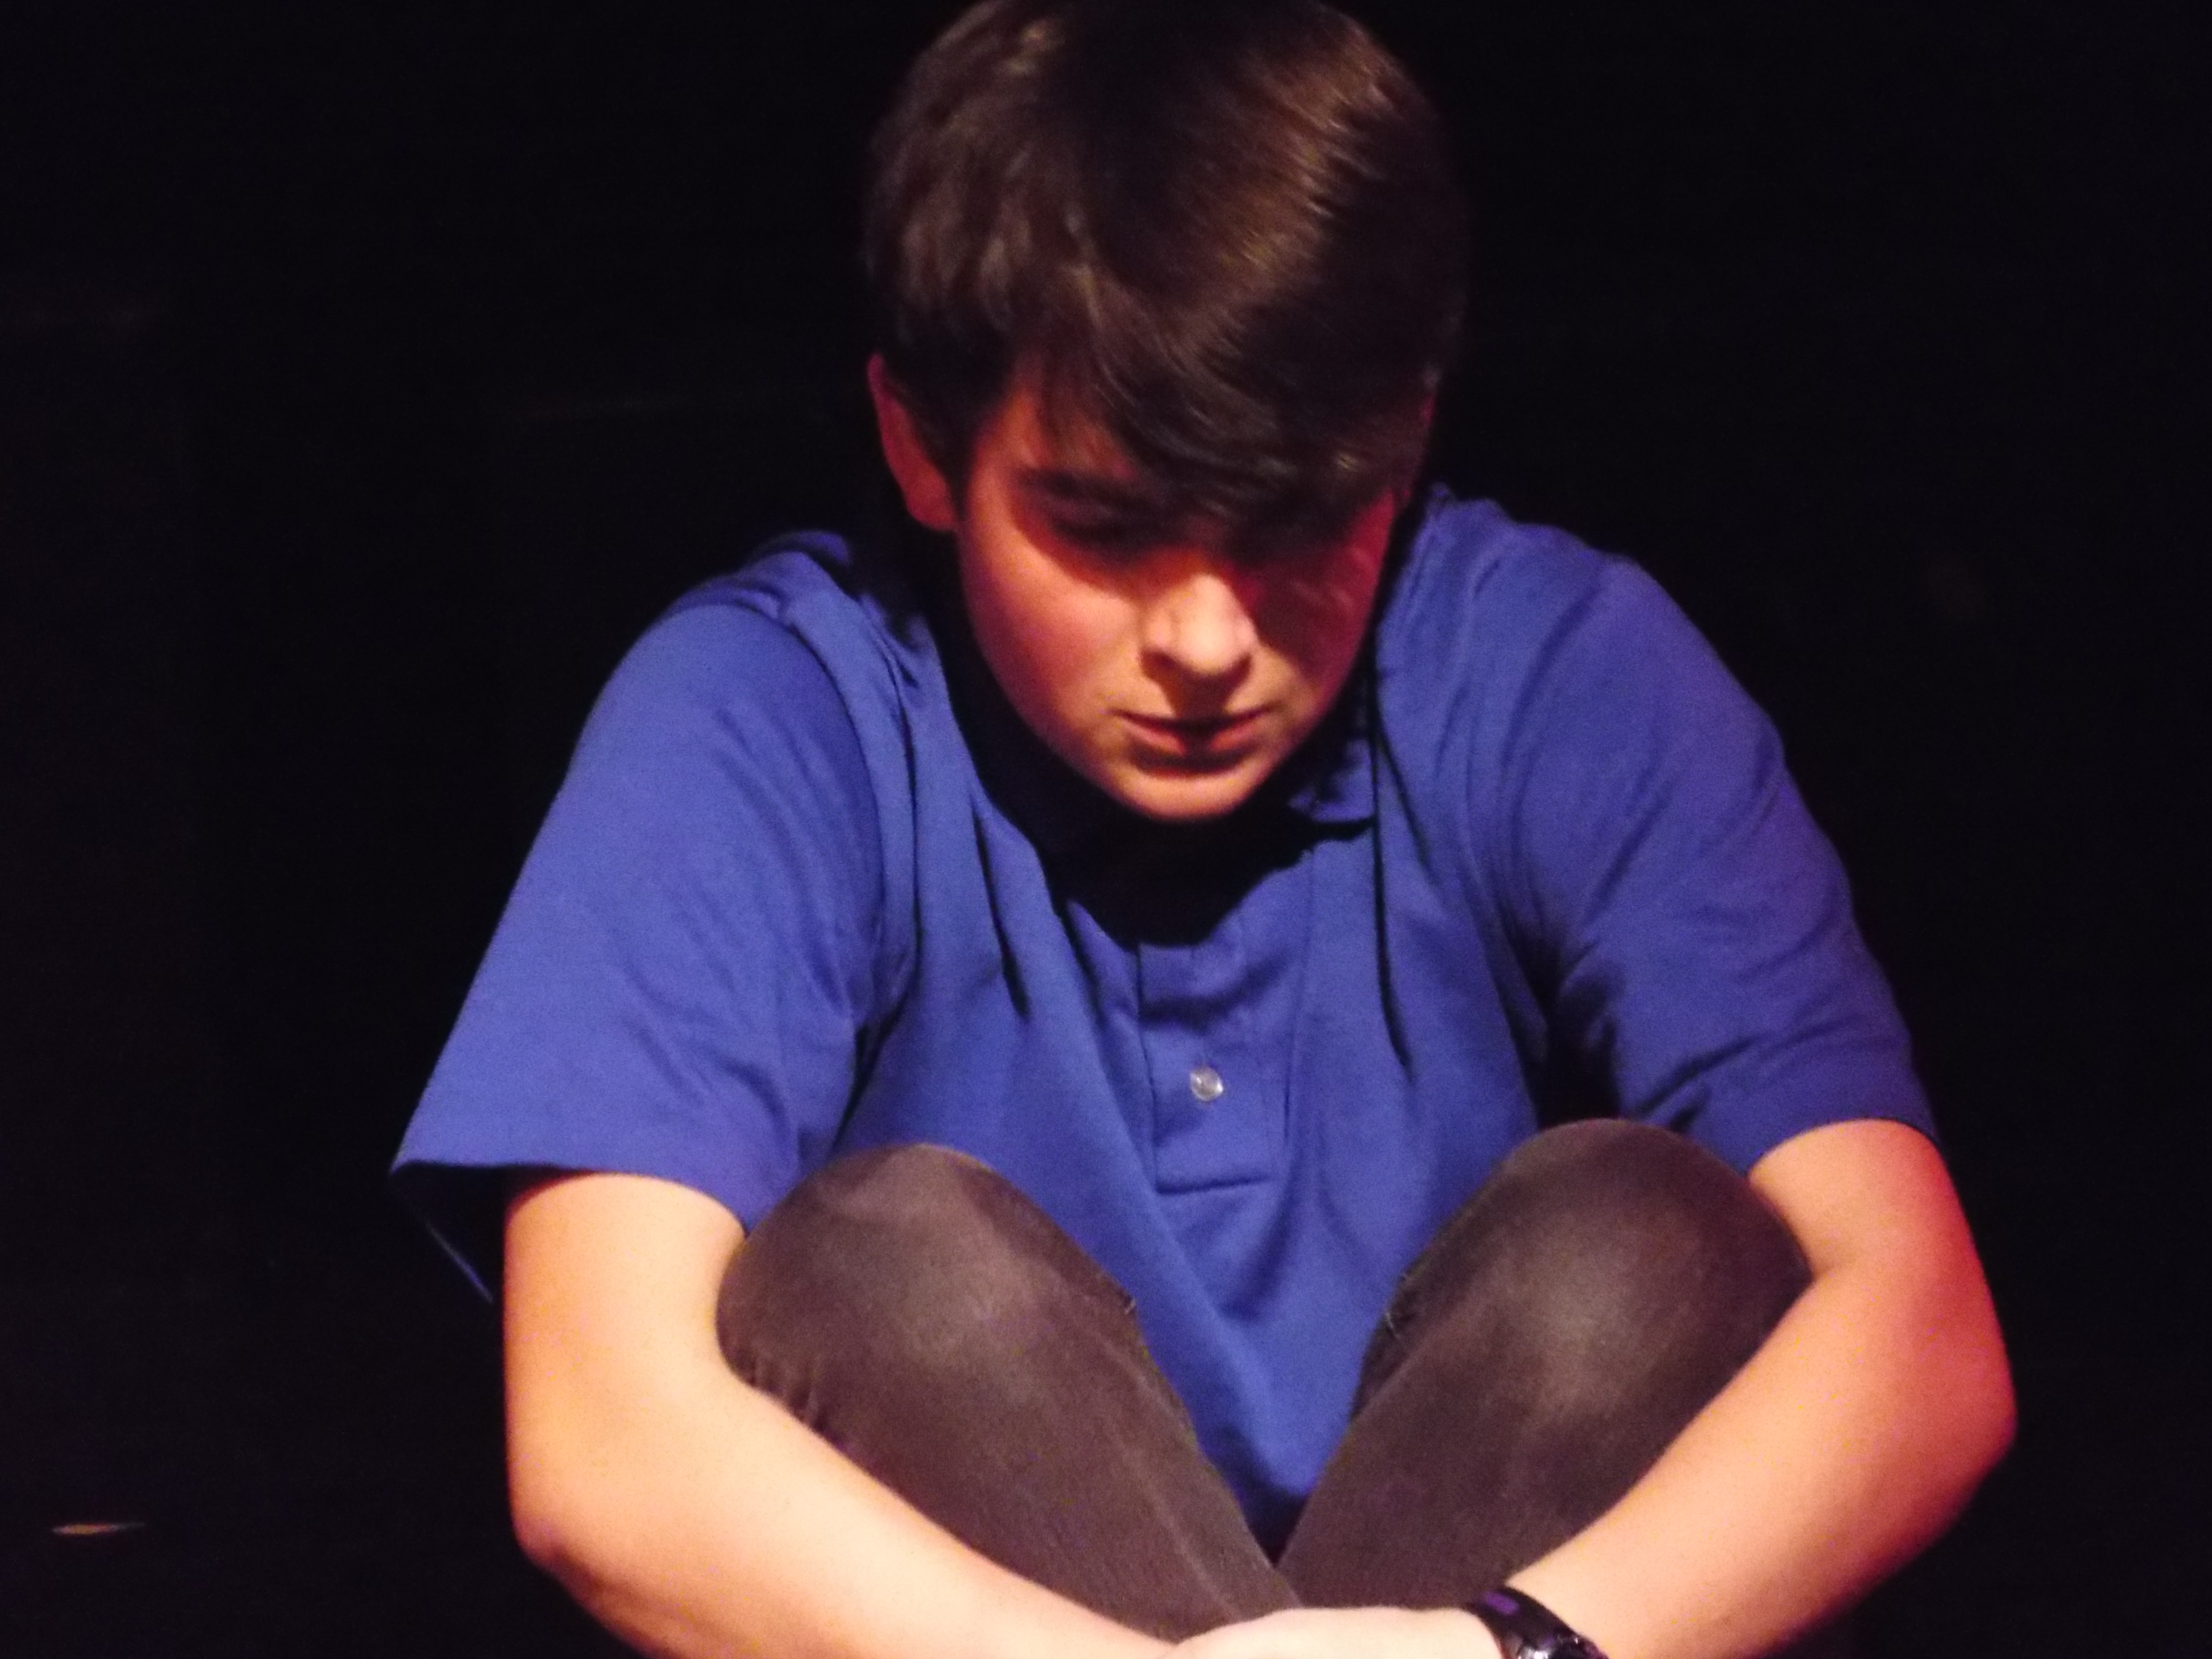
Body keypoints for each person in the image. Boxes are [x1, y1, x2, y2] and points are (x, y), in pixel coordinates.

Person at [394, 2, 2014, 1656]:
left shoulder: (1557, 669)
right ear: (922, 449)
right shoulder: (771, 707)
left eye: (1293, 522)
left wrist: (1502, 1651)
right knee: (890, 1269)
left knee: (1643, 1243)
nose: (1207, 640)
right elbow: (603, 1437)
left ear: (1408, 439)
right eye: (1104, 527)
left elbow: (1922, 1333)